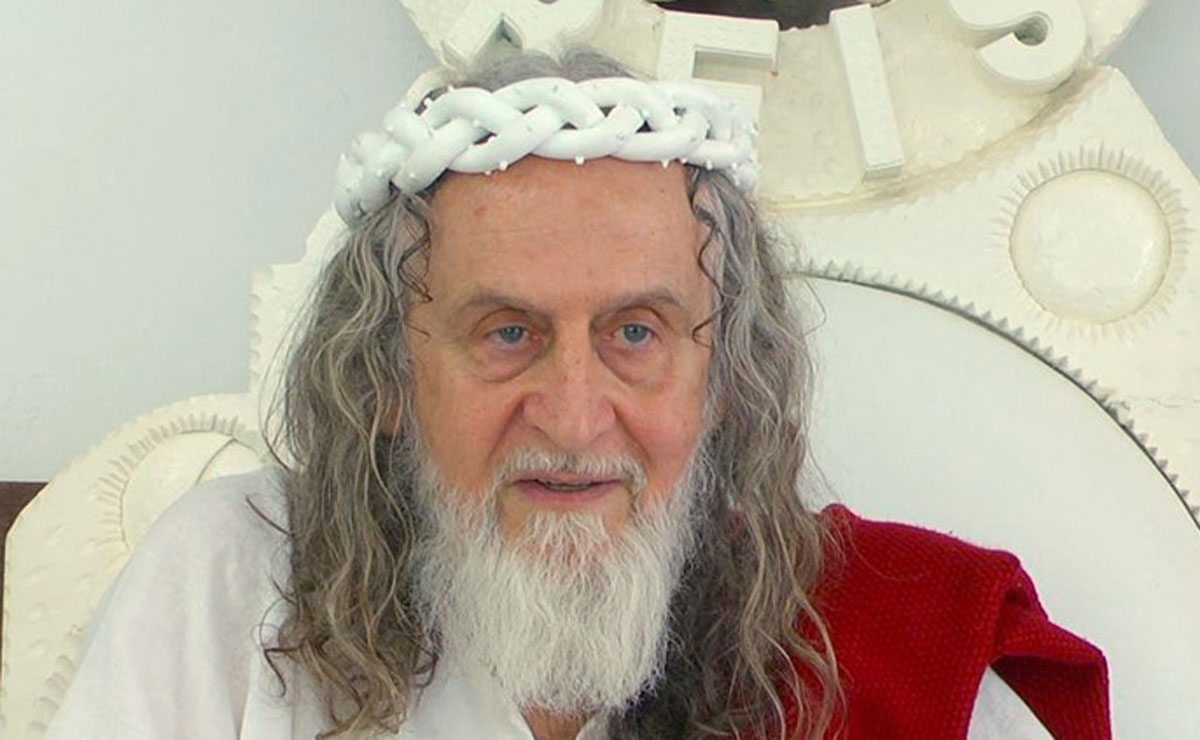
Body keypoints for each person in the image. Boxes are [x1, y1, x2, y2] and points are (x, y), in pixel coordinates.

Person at [44, 49, 1110, 739]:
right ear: (387, 373)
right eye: (507, 334)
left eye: (635, 333)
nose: (572, 414)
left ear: (723, 379)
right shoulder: (231, 581)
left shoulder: (902, 650)